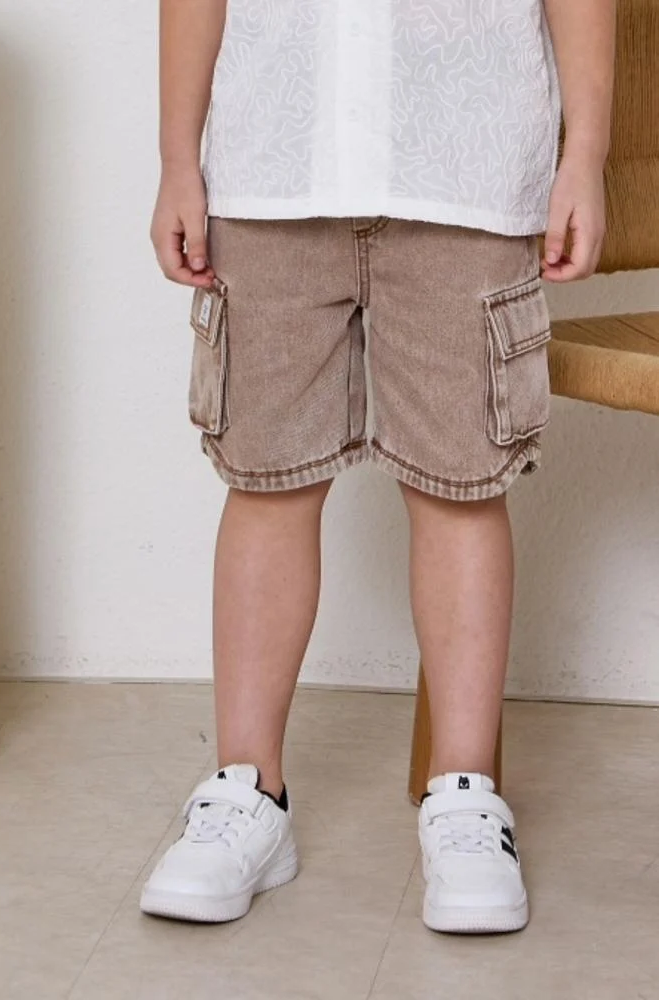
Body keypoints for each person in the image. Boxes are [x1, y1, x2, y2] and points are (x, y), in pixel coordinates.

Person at [140, 0, 616, 933]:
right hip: (272, 166)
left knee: (462, 483)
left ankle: (465, 794)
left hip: (469, 168)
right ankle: (247, 789)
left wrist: (586, 152)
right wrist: (176, 160)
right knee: (267, 478)